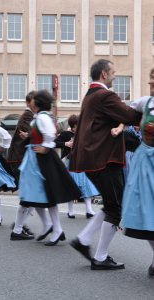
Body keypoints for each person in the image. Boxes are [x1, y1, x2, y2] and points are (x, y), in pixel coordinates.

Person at [69, 59, 142, 270]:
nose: (115, 76)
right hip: (104, 160)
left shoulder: (91, 95)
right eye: (113, 72)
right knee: (116, 208)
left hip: (93, 159)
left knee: (112, 204)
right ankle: (100, 257)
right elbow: (128, 115)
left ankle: (83, 239)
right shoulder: (105, 95)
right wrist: (145, 103)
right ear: (104, 74)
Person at [15, 90, 81, 245]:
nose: (29, 101)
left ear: (36, 103)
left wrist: (45, 147)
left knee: (47, 194)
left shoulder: (43, 117)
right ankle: (51, 227)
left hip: (42, 159)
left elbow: (51, 133)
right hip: (36, 158)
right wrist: (29, 136)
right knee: (40, 195)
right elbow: (42, 133)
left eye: (32, 100)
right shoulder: (39, 117)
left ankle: (56, 229)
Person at [121, 68, 154, 277]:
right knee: (145, 208)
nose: (152, 82)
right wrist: (118, 125)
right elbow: (124, 112)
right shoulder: (145, 102)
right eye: (151, 78)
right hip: (144, 161)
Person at [8, 91, 53, 240]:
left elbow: (45, 134)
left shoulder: (37, 117)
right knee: (32, 193)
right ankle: (18, 228)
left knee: (35, 193)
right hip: (30, 158)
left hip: (30, 157)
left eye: (33, 100)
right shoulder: (35, 116)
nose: (30, 102)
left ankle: (45, 225)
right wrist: (45, 146)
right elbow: (50, 134)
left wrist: (29, 137)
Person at [55, 114, 98, 219]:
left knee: (86, 186)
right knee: (71, 186)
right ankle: (70, 211)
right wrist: (66, 144)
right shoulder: (66, 134)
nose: (79, 127)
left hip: (83, 163)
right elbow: (54, 143)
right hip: (70, 163)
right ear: (72, 126)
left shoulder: (85, 133)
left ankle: (89, 210)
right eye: (77, 126)